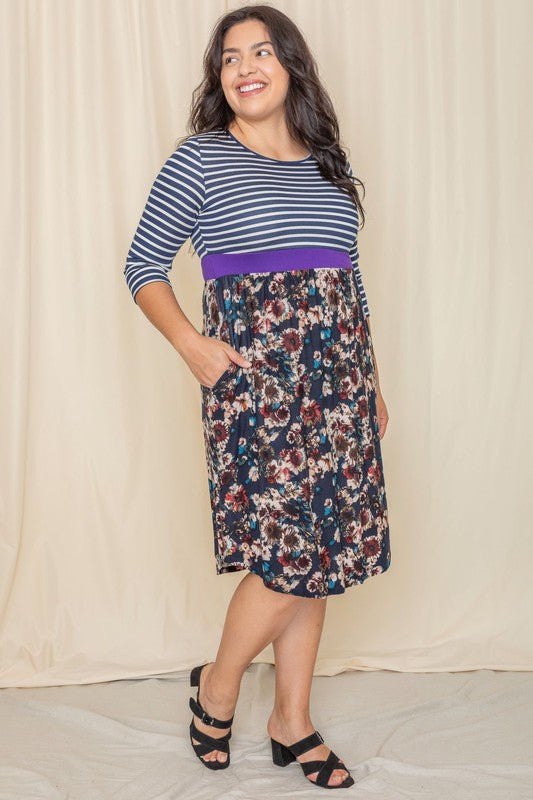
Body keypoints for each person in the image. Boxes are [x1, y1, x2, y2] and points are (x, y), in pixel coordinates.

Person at [124, 4, 391, 790]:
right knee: (285, 557)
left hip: (338, 386)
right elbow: (143, 265)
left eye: (261, 52)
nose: (244, 66)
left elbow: (349, 286)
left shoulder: (325, 163)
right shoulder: (200, 160)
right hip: (259, 387)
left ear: (291, 67)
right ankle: (217, 688)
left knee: (321, 560)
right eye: (229, 57)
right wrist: (192, 346)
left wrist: (370, 382)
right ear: (220, 79)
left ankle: (291, 720)